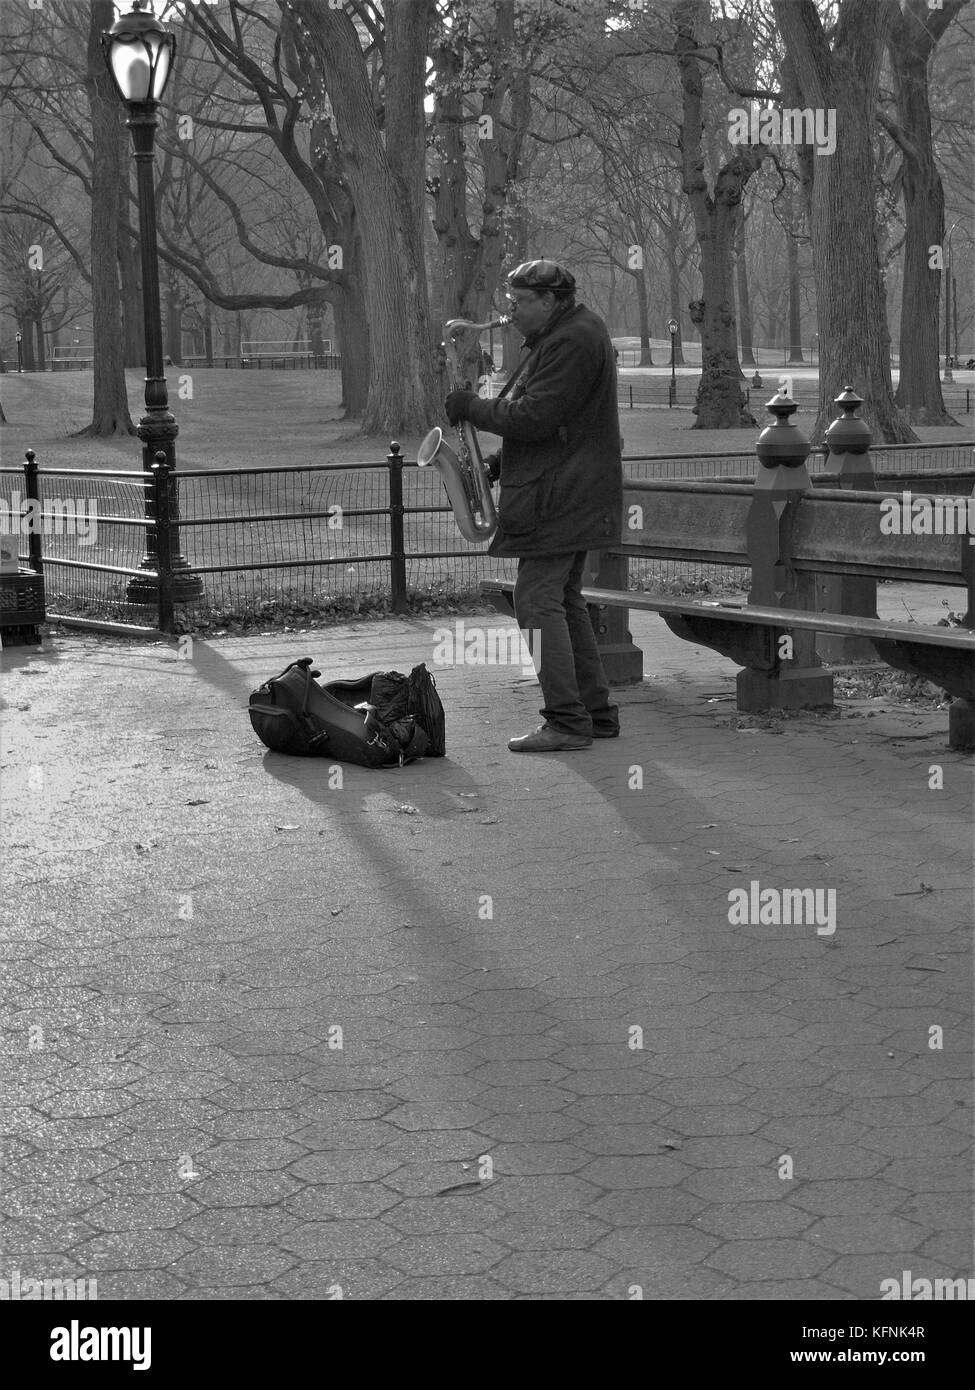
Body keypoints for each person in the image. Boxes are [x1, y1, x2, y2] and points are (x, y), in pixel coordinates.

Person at [445, 258, 623, 752]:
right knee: (564, 601)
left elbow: (537, 416)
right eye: (510, 302)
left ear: (549, 300)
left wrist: (472, 409)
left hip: (560, 496)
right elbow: (560, 425)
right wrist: (498, 464)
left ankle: (567, 721)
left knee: (536, 600)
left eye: (520, 303)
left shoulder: (571, 340)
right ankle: (595, 714)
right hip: (567, 488)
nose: (510, 313)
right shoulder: (571, 332)